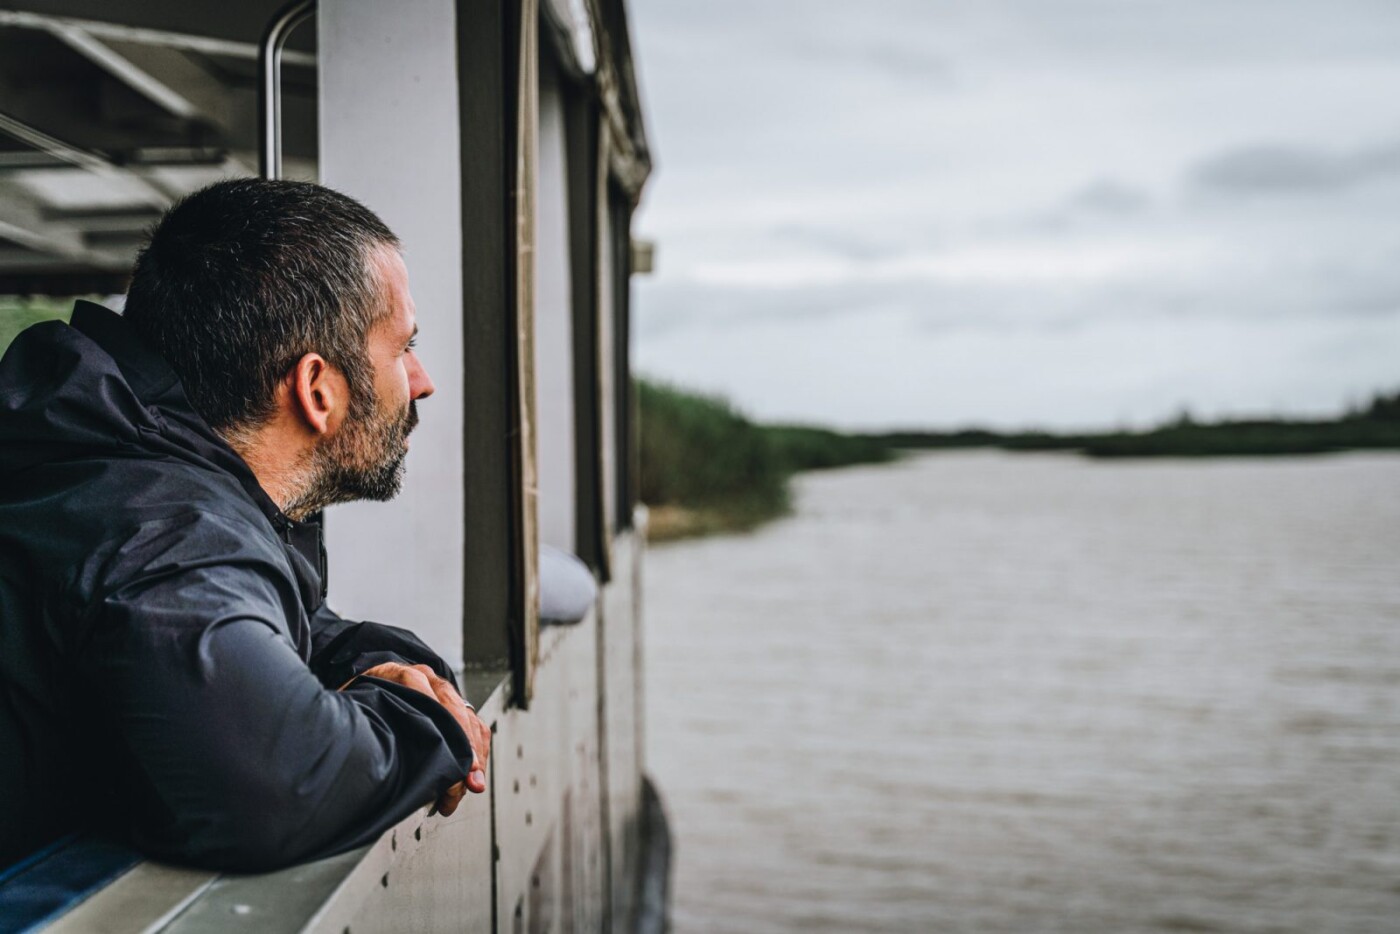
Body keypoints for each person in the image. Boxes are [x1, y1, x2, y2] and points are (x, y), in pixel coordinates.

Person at [0, 178, 490, 872]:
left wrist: (372, 666)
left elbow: (283, 619)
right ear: (317, 390)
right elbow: (275, 786)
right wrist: (433, 723)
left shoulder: (123, 466)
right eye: (402, 348)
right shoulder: (162, 528)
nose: (421, 379)